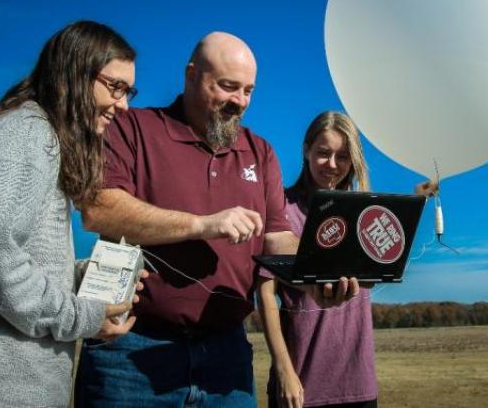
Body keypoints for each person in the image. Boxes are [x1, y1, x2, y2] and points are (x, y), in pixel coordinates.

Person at [75, 31, 359, 407]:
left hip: (227, 355)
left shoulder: (260, 152)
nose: (239, 102)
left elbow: (277, 237)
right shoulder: (133, 128)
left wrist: (315, 276)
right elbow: (99, 209)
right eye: (228, 87)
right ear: (191, 75)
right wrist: (203, 223)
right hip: (130, 348)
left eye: (248, 91)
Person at [0, 21, 144, 407]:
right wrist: (81, 316)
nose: (123, 105)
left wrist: (82, 276)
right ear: (75, 74)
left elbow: (0, 254)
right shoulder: (27, 135)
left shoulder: (29, 135)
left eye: (129, 91)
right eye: (115, 87)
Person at [257, 111, 436, 408]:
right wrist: (284, 370)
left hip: (359, 384)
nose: (332, 165)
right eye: (323, 153)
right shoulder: (281, 210)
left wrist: (416, 200)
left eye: (342, 156)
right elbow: (265, 296)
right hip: (300, 384)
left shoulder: (362, 211)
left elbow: (387, 250)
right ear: (306, 150)